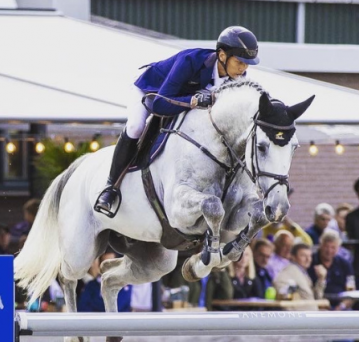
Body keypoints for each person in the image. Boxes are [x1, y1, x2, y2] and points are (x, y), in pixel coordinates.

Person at [94, 26, 260, 216]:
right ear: (222, 55)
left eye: (247, 64)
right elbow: (159, 105)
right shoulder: (190, 61)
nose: (243, 68)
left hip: (179, 103)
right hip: (152, 92)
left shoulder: (237, 78)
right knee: (135, 127)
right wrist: (193, 101)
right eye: (239, 62)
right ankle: (110, 188)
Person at [310, 230, 354, 300]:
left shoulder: (344, 264)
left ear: (338, 248)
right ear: (320, 246)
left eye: (333, 247)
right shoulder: (310, 262)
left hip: (341, 303)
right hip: (317, 302)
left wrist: (342, 306)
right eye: (326, 247)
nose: (329, 251)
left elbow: (352, 292)